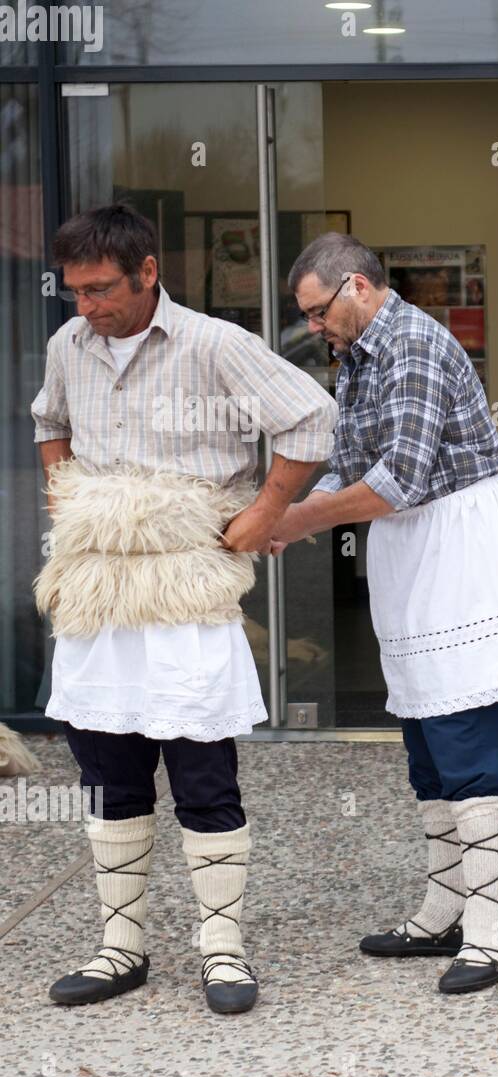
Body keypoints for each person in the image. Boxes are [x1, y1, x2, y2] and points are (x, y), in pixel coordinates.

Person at [33, 203, 338, 1013]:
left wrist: (268, 511)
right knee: (106, 770)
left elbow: (312, 416)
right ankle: (120, 946)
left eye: (102, 289)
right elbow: (48, 421)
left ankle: (223, 950)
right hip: (96, 587)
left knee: (204, 771)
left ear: (148, 273)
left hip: (185, 586)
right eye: (76, 292)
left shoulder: (214, 343)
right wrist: (67, 499)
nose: (88, 306)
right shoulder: (70, 345)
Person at [273, 234, 498, 994]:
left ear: (358, 286)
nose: (316, 327)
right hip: (412, 546)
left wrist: (299, 523)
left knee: (471, 731)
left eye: (318, 311)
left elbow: (397, 477)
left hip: (459, 540)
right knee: (428, 737)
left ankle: (491, 933)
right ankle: (444, 910)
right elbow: (349, 460)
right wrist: (282, 505)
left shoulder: (413, 345)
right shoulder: (361, 352)